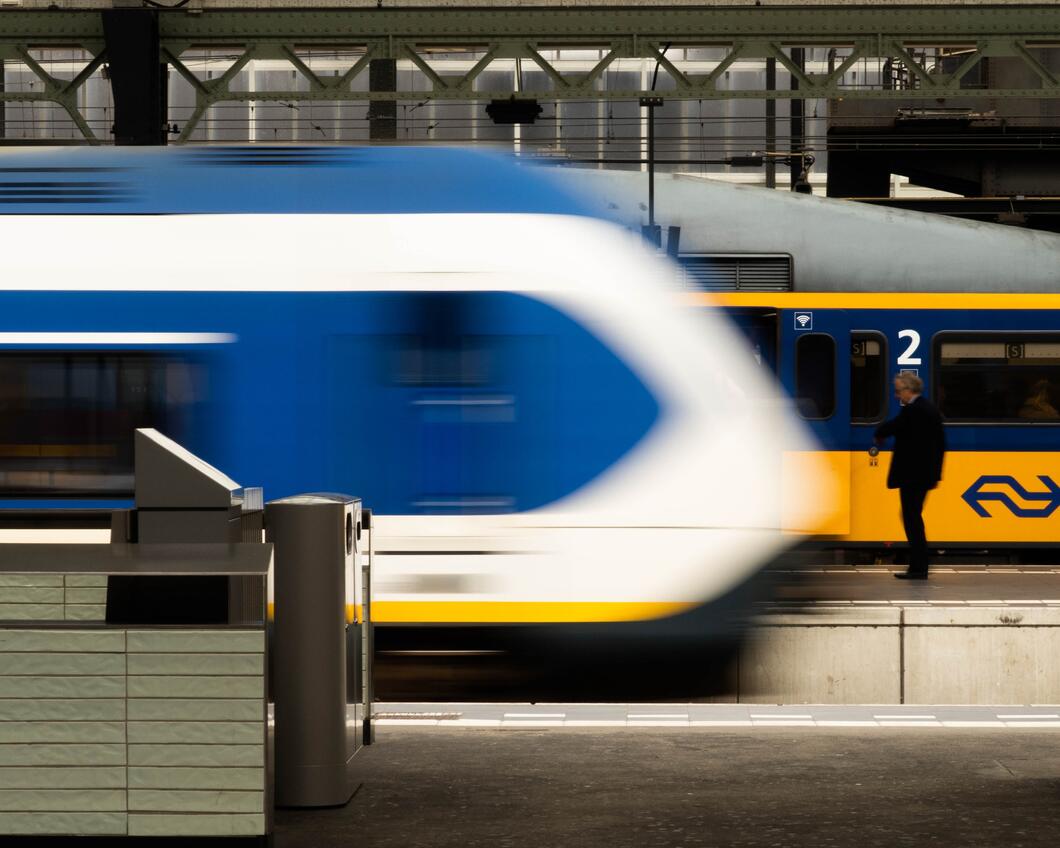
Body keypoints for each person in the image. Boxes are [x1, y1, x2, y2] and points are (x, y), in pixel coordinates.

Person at [874, 372, 946, 580]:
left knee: (912, 518)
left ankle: (919, 568)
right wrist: (936, 475)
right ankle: (917, 566)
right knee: (912, 517)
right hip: (921, 476)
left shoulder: (915, 410)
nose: (897, 395)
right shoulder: (926, 408)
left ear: (908, 390)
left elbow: (895, 426)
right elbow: (940, 445)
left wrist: (879, 433)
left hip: (914, 477)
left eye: (898, 391)